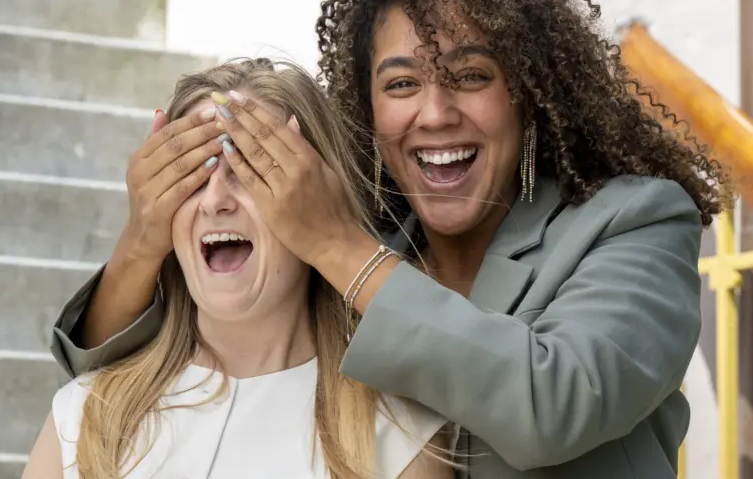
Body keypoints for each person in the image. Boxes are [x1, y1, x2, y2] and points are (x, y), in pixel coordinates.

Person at [48, 0, 728, 478]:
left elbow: (554, 406)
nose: (435, 113)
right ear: (367, 107)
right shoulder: (374, 229)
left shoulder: (635, 220)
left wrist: (338, 245)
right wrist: (143, 238)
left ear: (528, 93)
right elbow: (125, 369)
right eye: (401, 84)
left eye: (470, 75)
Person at [24, 59, 453, 479]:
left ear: (318, 202)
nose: (214, 201)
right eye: (193, 175)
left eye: (252, 170)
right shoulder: (79, 418)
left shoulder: (401, 441)